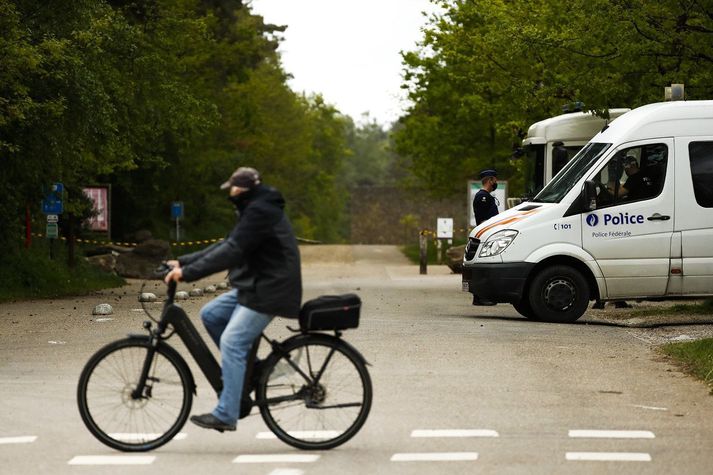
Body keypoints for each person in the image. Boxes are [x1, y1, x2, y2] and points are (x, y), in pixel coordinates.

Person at [164, 166, 302, 432]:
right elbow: (226, 244)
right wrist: (182, 262)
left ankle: (227, 414)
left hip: (271, 289)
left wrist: (188, 273)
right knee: (212, 314)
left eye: (233, 188)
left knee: (232, 341)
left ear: (242, 189)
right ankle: (256, 371)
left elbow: (232, 251)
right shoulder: (254, 208)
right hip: (257, 285)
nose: (231, 192)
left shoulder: (260, 211)